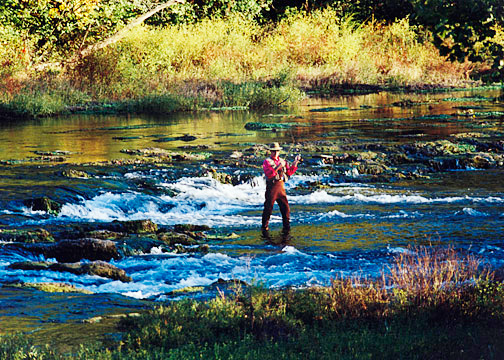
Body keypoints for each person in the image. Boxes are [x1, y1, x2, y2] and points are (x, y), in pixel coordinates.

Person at [261, 142, 301, 233]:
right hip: (272, 187)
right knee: (268, 208)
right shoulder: (267, 162)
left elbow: (289, 172)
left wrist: (295, 162)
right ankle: (264, 228)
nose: (275, 153)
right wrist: (278, 167)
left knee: (286, 208)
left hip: (281, 187)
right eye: (273, 151)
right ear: (270, 151)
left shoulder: (283, 161)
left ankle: (286, 228)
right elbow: (269, 174)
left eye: (277, 151)